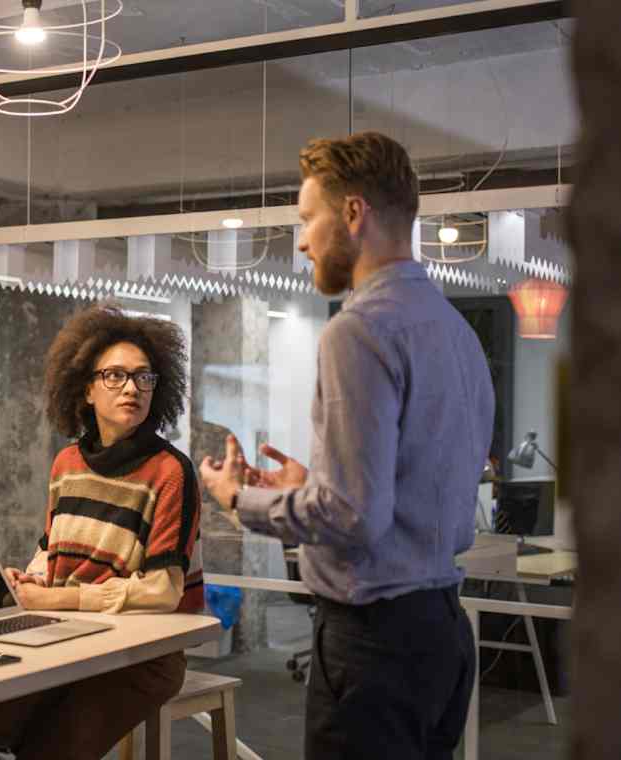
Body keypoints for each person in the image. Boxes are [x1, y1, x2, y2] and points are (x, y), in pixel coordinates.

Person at [198, 131, 495, 759]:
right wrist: (314, 485)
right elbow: (409, 488)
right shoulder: (457, 332)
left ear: (353, 213)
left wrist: (238, 499)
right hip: (443, 635)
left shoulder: (357, 331)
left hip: (373, 647)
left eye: (308, 218)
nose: (302, 240)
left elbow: (354, 516)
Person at [0, 303, 204, 760]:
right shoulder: (66, 464)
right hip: (67, 638)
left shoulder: (171, 472)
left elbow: (163, 591)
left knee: (49, 749)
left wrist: (60, 598)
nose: (131, 387)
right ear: (86, 390)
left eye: (143, 377)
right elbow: (50, 548)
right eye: (114, 376)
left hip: (141, 656)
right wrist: (31, 579)